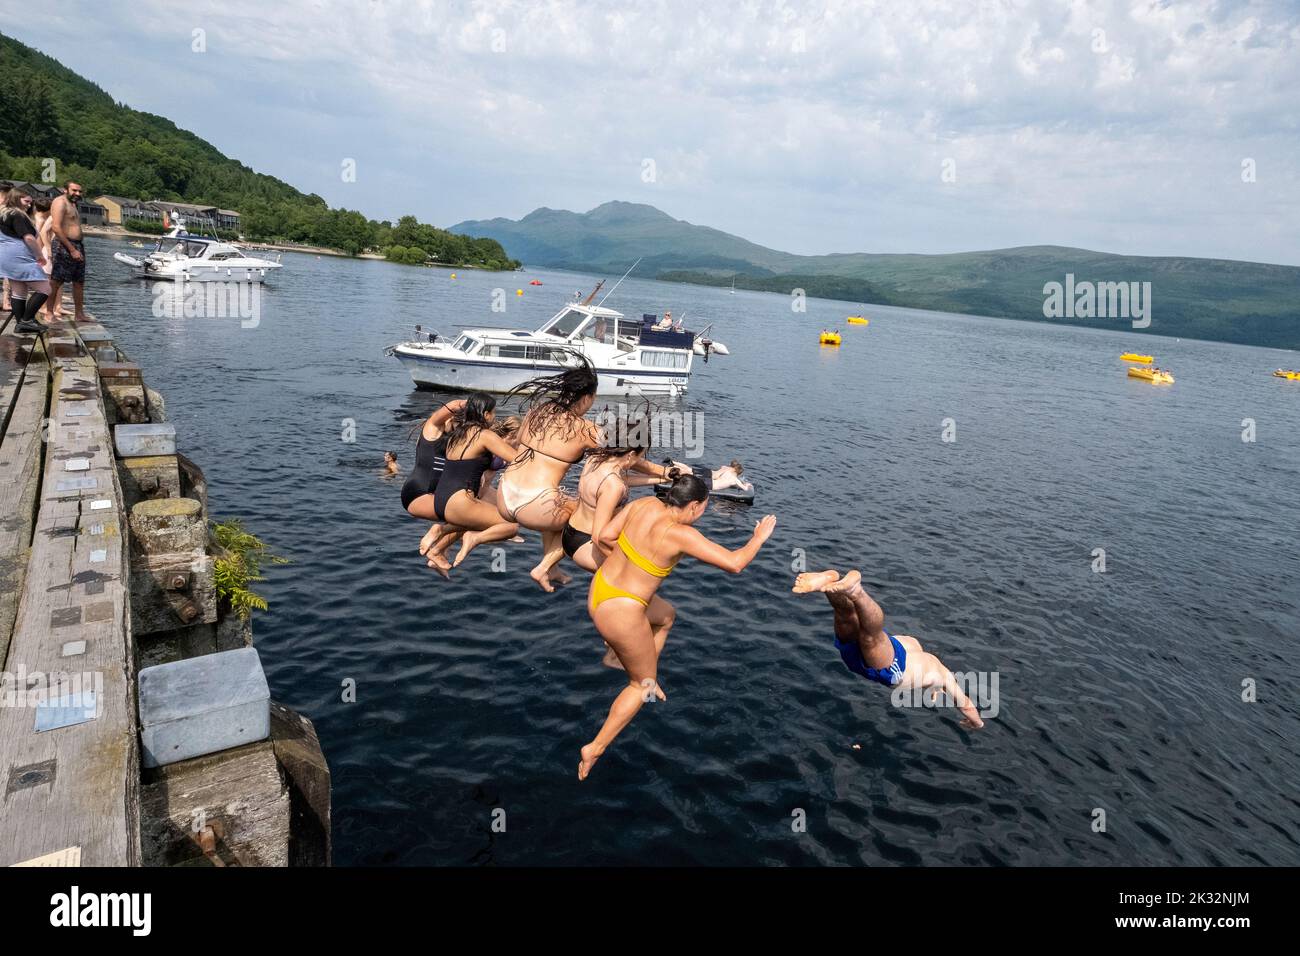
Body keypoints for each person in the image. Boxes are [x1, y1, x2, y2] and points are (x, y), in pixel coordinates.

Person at [578, 476, 777, 780]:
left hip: (600, 590)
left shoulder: (644, 504)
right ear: (695, 505)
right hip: (621, 612)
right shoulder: (681, 534)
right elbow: (735, 563)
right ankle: (595, 747)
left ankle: (635, 664)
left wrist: (634, 563)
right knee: (639, 687)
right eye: (704, 507)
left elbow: (604, 536)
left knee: (667, 615)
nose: (703, 513)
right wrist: (759, 538)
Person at [792, 569, 984, 729]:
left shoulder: (914, 644)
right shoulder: (944, 676)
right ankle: (856, 591)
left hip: (892, 649)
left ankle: (828, 584)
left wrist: (934, 689)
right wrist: (977, 723)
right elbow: (966, 706)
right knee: (870, 638)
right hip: (889, 668)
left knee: (847, 616)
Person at [496, 365, 603, 591]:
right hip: (536, 506)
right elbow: (626, 455)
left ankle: (552, 569)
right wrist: (663, 472)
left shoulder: (538, 411)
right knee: (587, 513)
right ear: (587, 397)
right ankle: (544, 567)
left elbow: (516, 445)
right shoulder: (586, 428)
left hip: (504, 496)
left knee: (558, 502)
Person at [422, 394, 520, 577]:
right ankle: (473, 538)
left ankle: (438, 544)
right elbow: (518, 460)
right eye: (493, 413)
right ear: (485, 414)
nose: (494, 417)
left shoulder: (456, 435)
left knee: (470, 520)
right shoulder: (484, 435)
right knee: (510, 526)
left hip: (441, 500)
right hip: (460, 500)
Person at [400, 397, 467, 555]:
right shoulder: (433, 429)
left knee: (474, 517)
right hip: (418, 492)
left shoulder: (454, 439)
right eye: (458, 424)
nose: (458, 429)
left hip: (435, 495)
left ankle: (439, 552)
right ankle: (438, 538)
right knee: (469, 518)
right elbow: (450, 406)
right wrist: (475, 403)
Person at [0, 188, 52, 334]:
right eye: (26, 201)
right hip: (19, 257)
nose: (29, 205)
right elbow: (28, 238)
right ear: (16, 199)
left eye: (31, 202)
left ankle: (21, 324)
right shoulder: (17, 215)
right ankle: (27, 320)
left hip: (6, 256)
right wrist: (39, 256)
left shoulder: (4, 213)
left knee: (19, 291)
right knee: (45, 288)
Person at [49, 182, 87, 321]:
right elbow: (56, 227)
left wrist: (77, 248)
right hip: (64, 245)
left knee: (79, 281)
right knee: (56, 281)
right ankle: (49, 313)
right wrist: (71, 249)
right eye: (74, 190)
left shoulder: (73, 204)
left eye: (80, 191)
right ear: (65, 190)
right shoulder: (60, 202)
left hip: (78, 245)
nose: (77, 194)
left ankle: (79, 314)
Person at [662, 458, 752, 494]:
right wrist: (746, 485)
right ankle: (671, 473)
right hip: (709, 483)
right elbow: (745, 489)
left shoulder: (727, 471)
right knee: (688, 475)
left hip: (709, 478)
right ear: (737, 472)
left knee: (688, 472)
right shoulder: (734, 479)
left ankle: (673, 465)